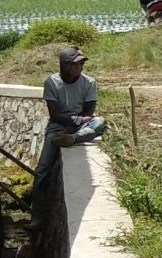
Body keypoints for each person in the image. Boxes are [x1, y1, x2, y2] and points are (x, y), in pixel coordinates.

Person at [38, 45, 109, 180]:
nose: (79, 68)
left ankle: (73, 138)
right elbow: (55, 115)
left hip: (81, 123)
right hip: (58, 125)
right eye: (75, 65)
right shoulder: (51, 83)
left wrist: (72, 129)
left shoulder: (89, 83)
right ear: (65, 66)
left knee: (100, 122)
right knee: (43, 168)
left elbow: (89, 112)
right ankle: (37, 200)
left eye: (81, 64)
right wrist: (69, 125)